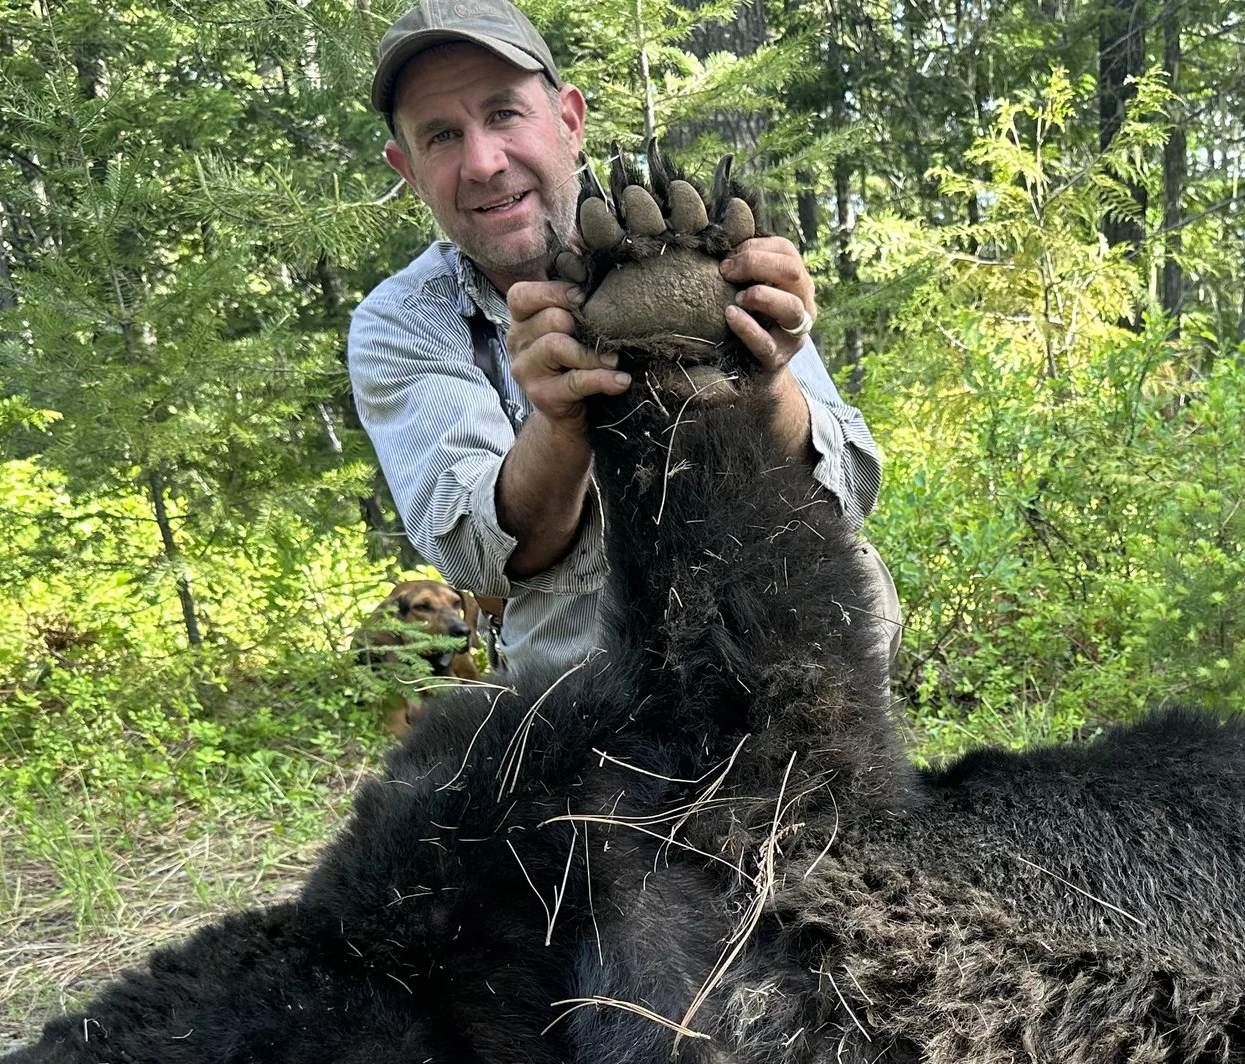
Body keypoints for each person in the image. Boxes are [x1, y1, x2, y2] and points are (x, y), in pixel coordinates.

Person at [348, 0, 893, 678]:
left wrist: (765, 379)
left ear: (569, 121)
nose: (485, 162)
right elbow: (480, 557)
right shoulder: (403, 322)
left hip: (779, 613)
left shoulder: (694, 245)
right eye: (442, 137)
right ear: (409, 171)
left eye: (503, 114)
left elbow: (849, 488)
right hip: (587, 676)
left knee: (837, 596)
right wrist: (561, 419)